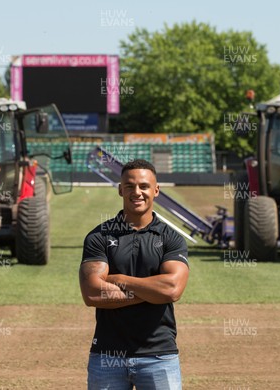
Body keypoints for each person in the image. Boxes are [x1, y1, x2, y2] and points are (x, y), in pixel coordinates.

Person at [79, 159, 189, 390]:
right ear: (120, 189)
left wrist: (120, 280)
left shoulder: (171, 238)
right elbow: (92, 294)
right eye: (129, 186)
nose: (136, 192)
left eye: (143, 186)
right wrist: (152, 292)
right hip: (107, 356)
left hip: (159, 355)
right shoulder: (98, 237)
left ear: (156, 190)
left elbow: (171, 289)